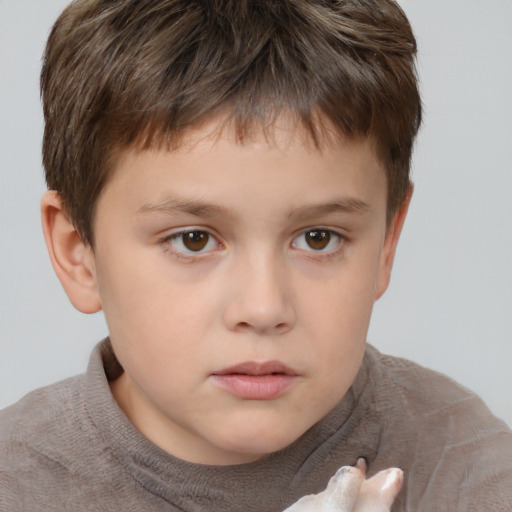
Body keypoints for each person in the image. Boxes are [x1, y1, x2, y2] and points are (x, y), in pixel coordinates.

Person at [0, 0, 510, 510]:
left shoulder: (469, 471)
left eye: (318, 238)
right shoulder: (17, 483)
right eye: (193, 240)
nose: (263, 308)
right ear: (78, 254)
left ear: (386, 244)